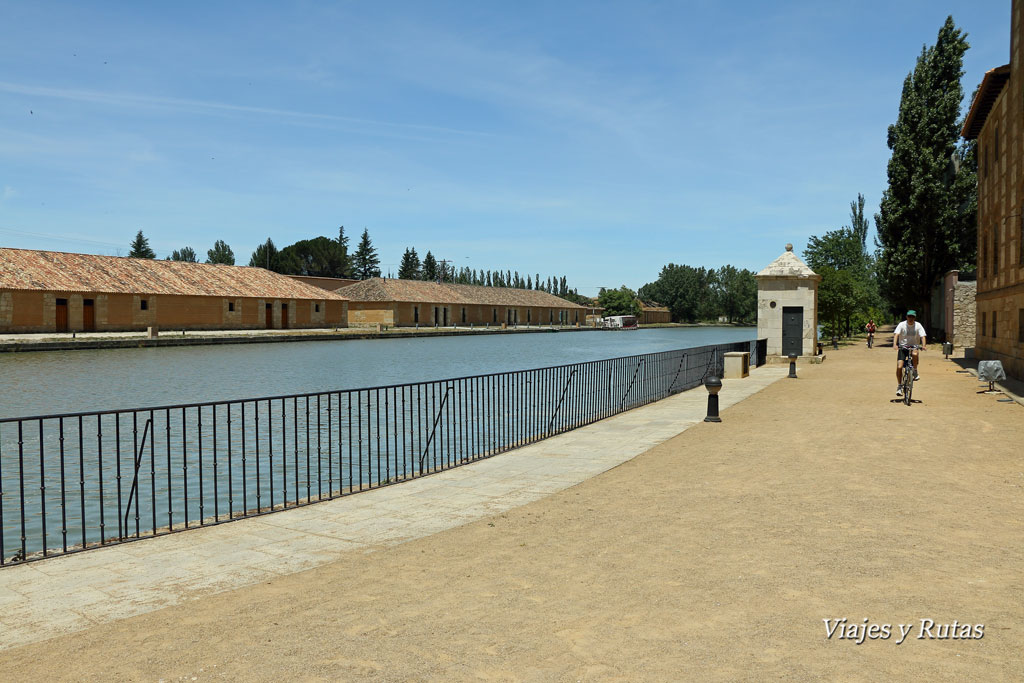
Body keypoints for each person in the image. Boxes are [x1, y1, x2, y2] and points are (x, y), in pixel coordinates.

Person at [893, 310, 926, 396]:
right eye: (909, 316)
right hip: (903, 347)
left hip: (914, 346)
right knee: (899, 366)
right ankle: (900, 386)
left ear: (915, 317)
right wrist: (895, 344)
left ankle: (915, 371)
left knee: (915, 354)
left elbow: (923, 336)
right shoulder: (901, 324)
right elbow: (896, 334)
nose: (910, 318)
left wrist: (924, 345)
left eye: (912, 317)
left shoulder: (918, 325)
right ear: (906, 317)